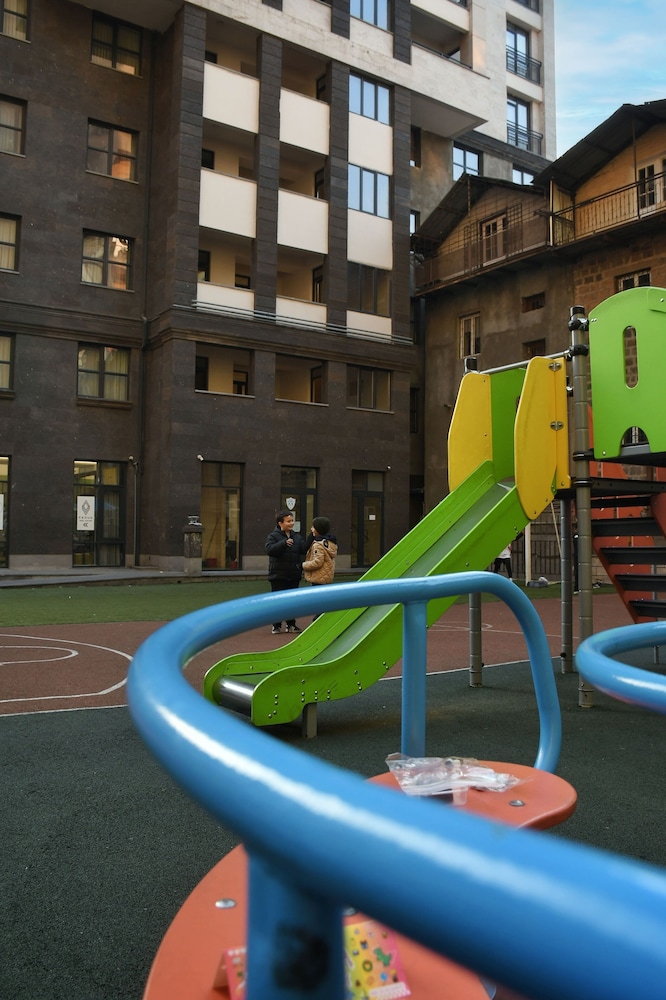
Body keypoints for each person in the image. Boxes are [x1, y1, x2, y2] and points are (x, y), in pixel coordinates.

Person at [265, 510, 307, 634]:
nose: (291, 523)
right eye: (288, 521)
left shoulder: (297, 537)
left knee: (292, 601)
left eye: (292, 520)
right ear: (280, 523)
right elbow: (270, 550)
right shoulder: (273, 536)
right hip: (278, 575)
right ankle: (276, 625)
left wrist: (313, 537)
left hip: (293, 574)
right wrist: (283, 543)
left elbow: (303, 549)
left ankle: (291, 624)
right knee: (277, 601)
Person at [302, 516, 338, 618]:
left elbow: (317, 562)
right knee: (323, 600)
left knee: (318, 602)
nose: (311, 529)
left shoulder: (318, 545)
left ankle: (318, 620)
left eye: (313, 527)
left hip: (318, 577)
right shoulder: (330, 542)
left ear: (318, 529)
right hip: (326, 577)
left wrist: (303, 565)